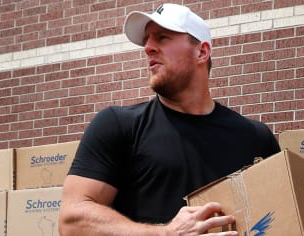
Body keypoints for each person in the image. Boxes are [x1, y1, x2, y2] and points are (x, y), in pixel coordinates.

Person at [58, 3, 281, 236]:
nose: (148, 48)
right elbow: (72, 222)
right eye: (147, 40)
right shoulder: (118, 125)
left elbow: (283, 219)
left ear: (202, 52)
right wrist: (165, 234)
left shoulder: (255, 138)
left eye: (162, 38)